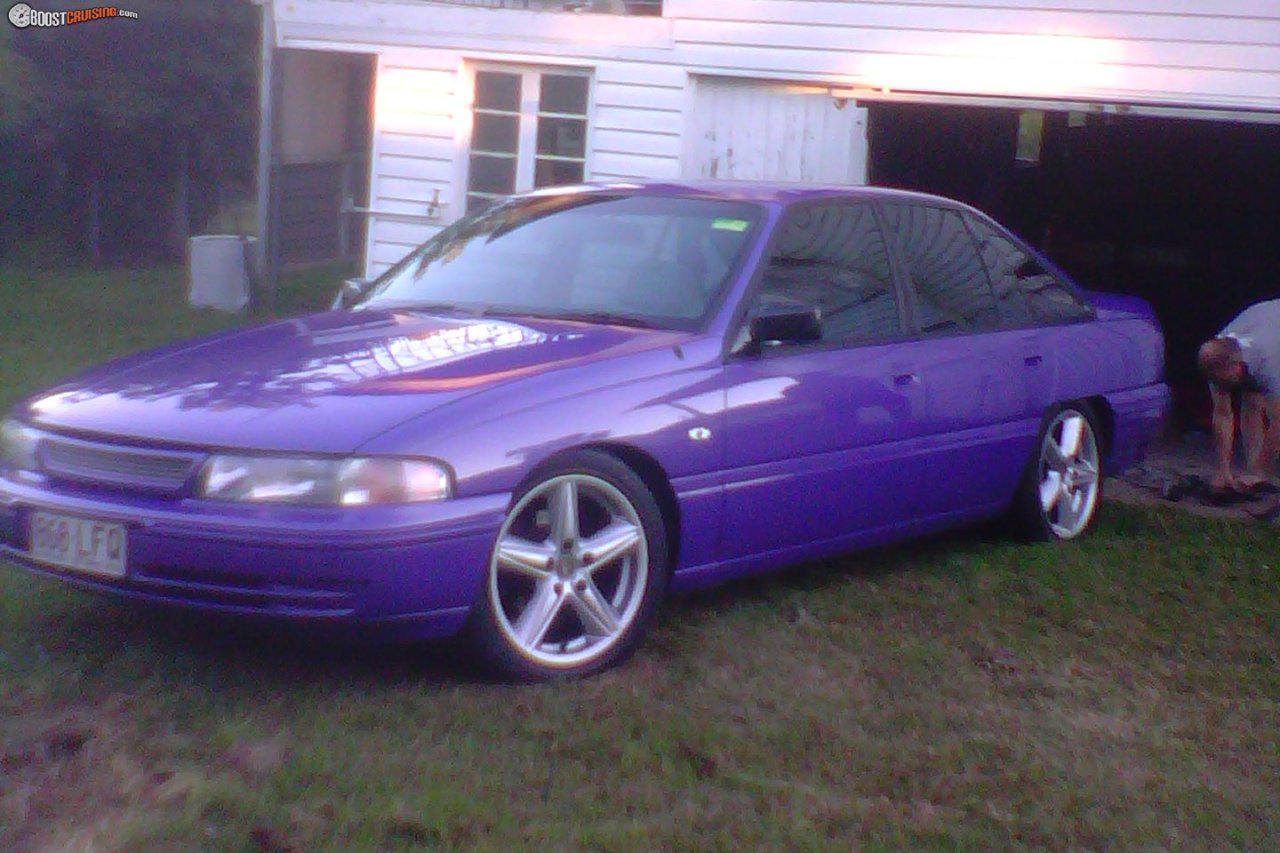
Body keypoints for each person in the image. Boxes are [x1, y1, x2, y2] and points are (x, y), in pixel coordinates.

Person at [1197, 299, 1280, 493]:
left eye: (1222, 380)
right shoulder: (1215, 358)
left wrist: (1259, 469)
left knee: (1259, 399)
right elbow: (1223, 414)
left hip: (1273, 345)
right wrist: (1222, 471)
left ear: (1237, 367)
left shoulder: (1269, 363)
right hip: (1264, 323)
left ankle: (1257, 472)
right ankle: (1250, 476)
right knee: (1251, 399)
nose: (1219, 385)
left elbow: (1278, 423)